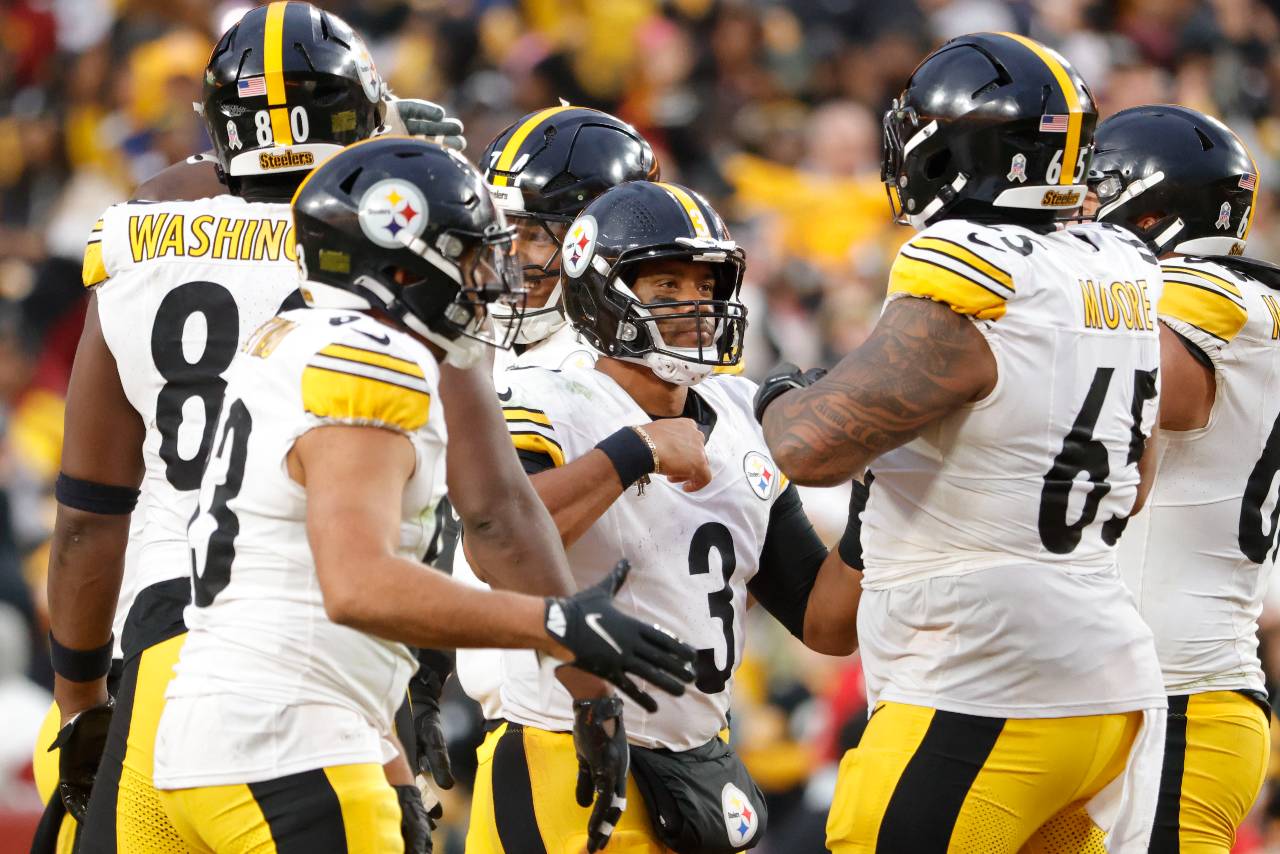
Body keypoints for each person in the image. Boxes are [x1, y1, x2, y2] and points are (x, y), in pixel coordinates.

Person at [37, 4, 553, 852]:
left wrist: (81, 702)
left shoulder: (141, 233)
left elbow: (90, 522)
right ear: (363, 118)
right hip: (302, 665)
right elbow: (492, 508)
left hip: (160, 650)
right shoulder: (404, 252)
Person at [148, 135, 695, 852]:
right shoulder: (372, 362)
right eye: (474, 253)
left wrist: (386, 757)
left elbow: (298, 595)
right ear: (408, 265)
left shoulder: (292, 336)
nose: (493, 275)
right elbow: (357, 585)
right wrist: (555, 625)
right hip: (288, 749)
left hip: (218, 741)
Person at [754, 33, 1169, 852]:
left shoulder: (970, 265)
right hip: (1104, 682)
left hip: (981, 681)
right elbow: (1138, 476)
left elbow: (809, 446)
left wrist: (774, 398)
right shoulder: (1115, 263)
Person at [466, 178, 863, 854]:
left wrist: (874, 499)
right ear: (600, 295)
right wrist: (635, 450)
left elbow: (828, 625)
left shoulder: (739, 415)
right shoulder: (547, 394)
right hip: (565, 756)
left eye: (705, 287)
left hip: (698, 760)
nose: (696, 308)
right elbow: (500, 543)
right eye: (667, 289)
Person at [1092, 104, 1273, 853]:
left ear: (1150, 206)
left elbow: (1159, 390)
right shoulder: (1232, 292)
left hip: (1184, 696)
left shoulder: (1210, 291)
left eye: (1094, 192)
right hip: (1137, 696)